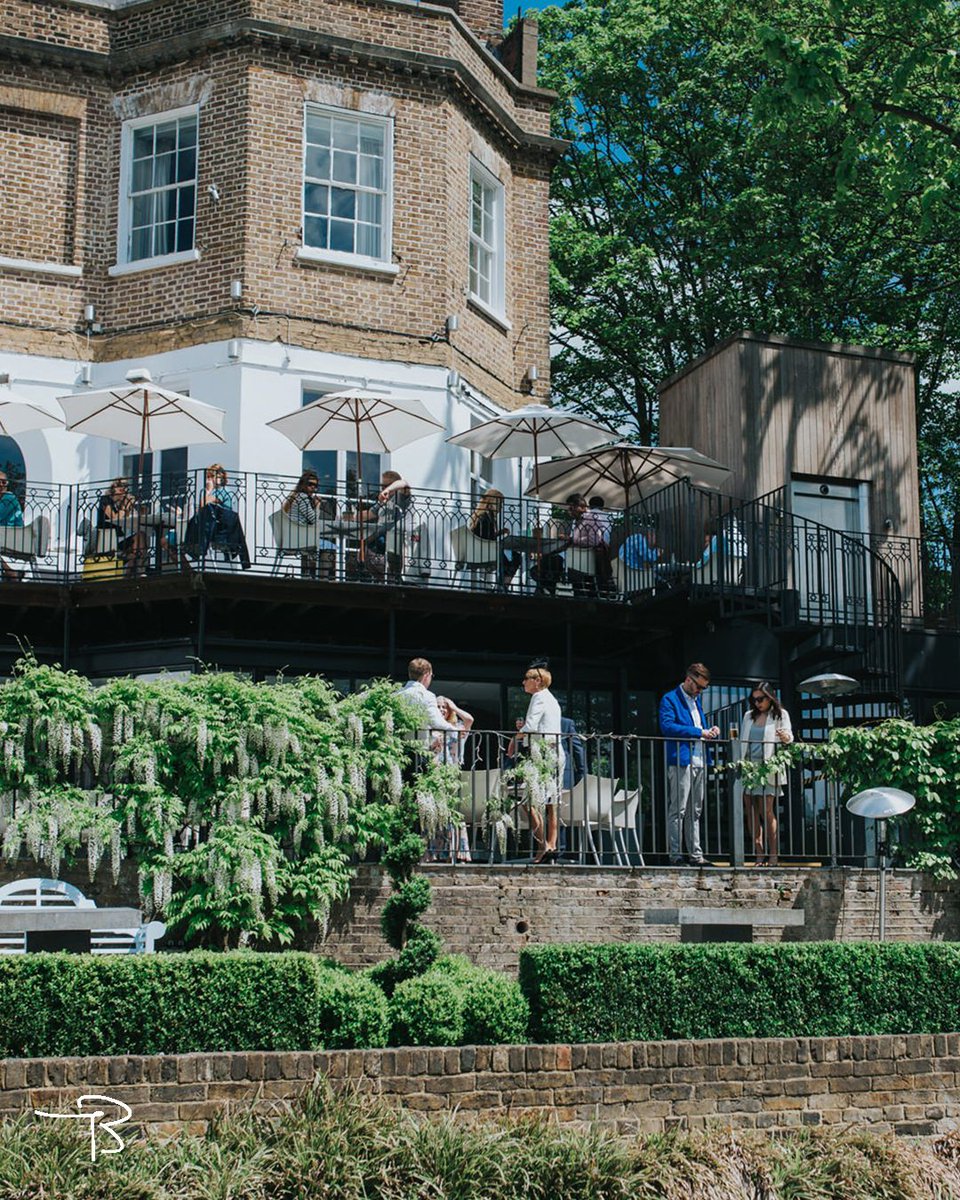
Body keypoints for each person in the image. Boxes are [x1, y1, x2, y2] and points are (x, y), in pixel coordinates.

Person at [658, 662, 720, 866]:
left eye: (704, 688)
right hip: (681, 760)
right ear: (688, 679)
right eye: (699, 686)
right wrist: (699, 732)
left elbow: (698, 727)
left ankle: (696, 855)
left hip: (700, 759)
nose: (700, 691)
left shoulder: (696, 701)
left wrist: (709, 731)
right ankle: (675, 855)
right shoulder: (670, 699)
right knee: (678, 809)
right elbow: (667, 727)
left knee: (695, 811)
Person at [507, 663, 566, 863]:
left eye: (527, 678)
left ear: (537, 681)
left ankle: (543, 844)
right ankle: (552, 844)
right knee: (552, 802)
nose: (523, 682)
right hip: (555, 752)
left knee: (527, 799)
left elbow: (531, 725)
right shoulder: (553, 700)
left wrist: (514, 739)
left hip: (542, 753)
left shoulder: (538, 696)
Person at [738, 681, 793, 866]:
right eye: (753, 700)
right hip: (749, 768)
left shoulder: (780, 714)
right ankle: (759, 852)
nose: (757, 703)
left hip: (768, 768)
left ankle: (774, 854)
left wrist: (786, 738)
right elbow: (743, 741)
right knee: (750, 811)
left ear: (770, 697)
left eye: (760, 699)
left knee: (766, 811)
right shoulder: (748, 716)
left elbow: (788, 735)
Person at [428, 694, 475, 863]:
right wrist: (432, 745)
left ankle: (456, 852)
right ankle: (434, 853)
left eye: (444, 707)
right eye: (438, 706)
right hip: (433, 773)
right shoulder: (429, 727)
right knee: (434, 812)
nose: (441, 710)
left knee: (451, 812)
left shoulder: (456, 727)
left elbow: (469, 720)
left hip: (450, 773)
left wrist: (453, 706)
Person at [281, 469, 337, 579]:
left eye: (316, 486)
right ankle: (322, 578)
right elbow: (313, 520)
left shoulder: (295, 496)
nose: (313, 488)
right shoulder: (302, 498)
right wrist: (317, 505)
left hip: (294, 536)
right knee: (329, 547)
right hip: (299, 539)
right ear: (303, 484)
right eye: (310, 484)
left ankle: (307, 574)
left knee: (323, 544)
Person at [359, 470, 411, 582]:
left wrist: (388, 490)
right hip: (381, 540)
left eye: (385, 485)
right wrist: (348, 516)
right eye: (382, 486)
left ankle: (392, 578)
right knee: (364, 548)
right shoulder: (382, 502)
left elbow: (404, 483)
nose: (382, 488)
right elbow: (369, 514)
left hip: (395, 540)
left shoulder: (400, 497)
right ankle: (381, 578)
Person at [401, 657, 457, 752]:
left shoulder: (397, 694)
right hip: (419, 749)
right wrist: (454, 731)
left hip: (399, 749)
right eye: (431, 675)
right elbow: (436, 722)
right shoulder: (428, 696)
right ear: (426, 675)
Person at [469, 487, 519, 586]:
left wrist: (499, 533)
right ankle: (503, 585)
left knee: (510, 556)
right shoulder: (485, 518)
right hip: (482, 553)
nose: (501, 508)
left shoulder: (484, 516)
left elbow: (485, 536)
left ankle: (502, 585)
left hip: (481, 550)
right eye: (500, 504)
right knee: (515, 557)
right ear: (492, 503)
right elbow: (486, 538)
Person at [97, 476, 146, 577]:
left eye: (125, 486)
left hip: (119, 537)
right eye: (120, 485)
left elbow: (125, 520)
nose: (123, 488)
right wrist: (124, 506)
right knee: (133, 550)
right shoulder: (105, 500)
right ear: (113, 487)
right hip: (108, 539)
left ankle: (138, 569)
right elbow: (114, 518)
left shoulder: (120, 504)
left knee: (140, 536)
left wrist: (129, 507)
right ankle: (129, 573)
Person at [0, 472, 24, 582]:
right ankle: (10, 571)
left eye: (4, 482)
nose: (1, 484)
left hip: (10, 535)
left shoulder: (9, 499)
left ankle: (11, 572)